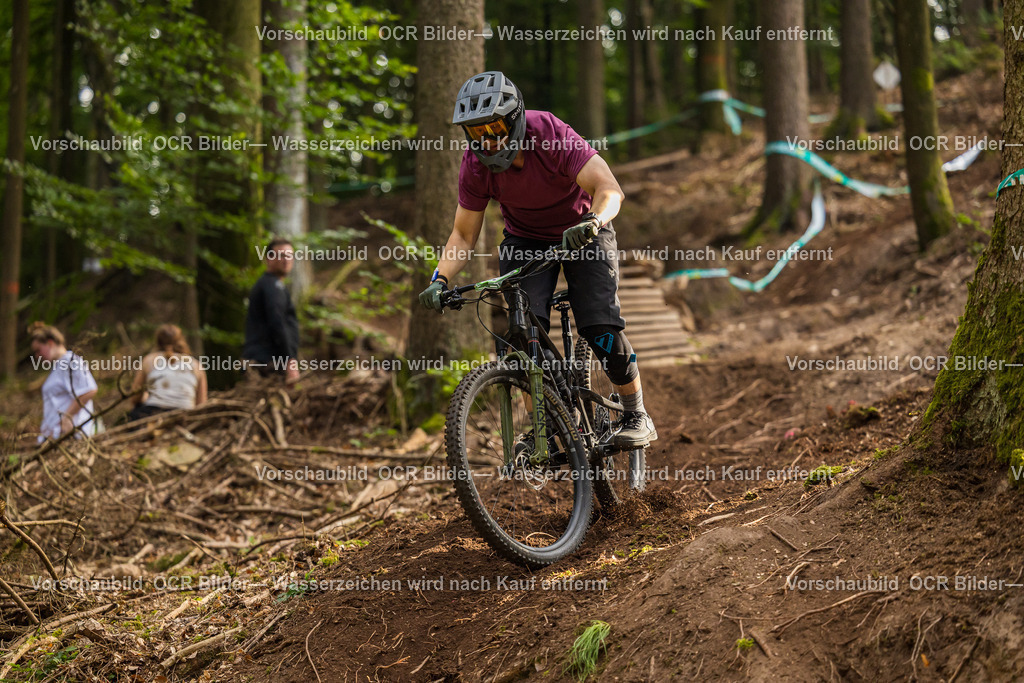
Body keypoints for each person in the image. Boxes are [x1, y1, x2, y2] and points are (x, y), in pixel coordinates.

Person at [418, 71, 658, 448]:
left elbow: (609, 189)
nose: (488, 139)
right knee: (520, 340)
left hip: (583, 230)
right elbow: (463, 234)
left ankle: (635, 413)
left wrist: (593, 221)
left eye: (495, 127)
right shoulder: (475, 166)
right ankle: (543, 426)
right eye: (477, 132)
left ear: (514, 120)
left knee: (599, 327)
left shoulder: (547, 132)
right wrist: (440, 279)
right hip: (525, 240)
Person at [28, 322, 99, 443]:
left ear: (50, 343)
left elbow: (89, 390)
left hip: (70, 437)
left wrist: (67, 418)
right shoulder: (59, 366)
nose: (37, 356)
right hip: (56, 438)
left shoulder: (70, 361)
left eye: (38, 350)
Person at [244, 237, 300, 383]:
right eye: (280, 255)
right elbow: (277, 322)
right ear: (268, 259)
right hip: (268, 361)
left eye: (289, 256)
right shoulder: (272, 286)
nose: (286, 260)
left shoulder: (272, 285)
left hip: (268, 360)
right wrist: (289, 360)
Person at [128, 324, 207, 421]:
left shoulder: (149, 360)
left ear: (158, 341)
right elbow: (201, 405)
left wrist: (146, 397)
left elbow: (134, 398)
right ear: (181, 340)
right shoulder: (196, 365)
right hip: (185, 416)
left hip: (152, 414)